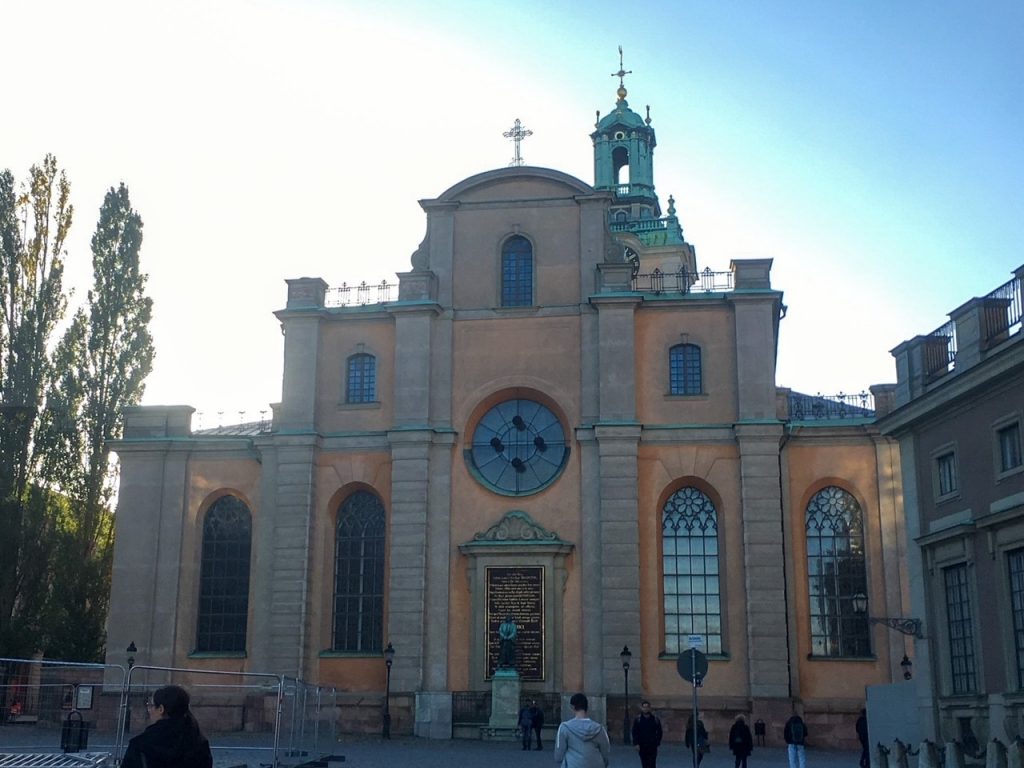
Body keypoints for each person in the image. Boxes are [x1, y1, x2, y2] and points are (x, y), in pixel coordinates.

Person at [121, 685, 212, 768]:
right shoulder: (199, 742)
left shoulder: (140, 745)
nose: (149, 710)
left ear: (161, 709)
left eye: (151, 705)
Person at [554, 692, 610, 768]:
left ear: (572, 707)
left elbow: (558, 756)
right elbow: (605, 753)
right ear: (587, 707)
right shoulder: (599, 729)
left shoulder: (564, 728)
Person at [631, 700, 663, 768]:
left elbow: (659, 731)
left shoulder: (655, 719)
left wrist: (657, 742)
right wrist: (636, 743)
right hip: (642, 745)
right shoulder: (638, 719)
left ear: (649, 708)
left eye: (647, 707)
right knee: (644, 763)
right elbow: (634, 732)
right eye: (644, 707)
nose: (645, 709)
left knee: (652, 763)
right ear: (642, 708)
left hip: (652, 745)